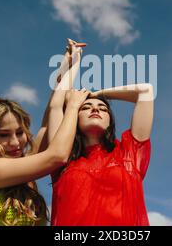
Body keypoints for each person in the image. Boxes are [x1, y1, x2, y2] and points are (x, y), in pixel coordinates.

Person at [0, 39, 88, 226]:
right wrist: (73, 107)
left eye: (20, 132)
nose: (15, 142)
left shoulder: (23, 164)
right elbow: (57, 156)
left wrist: (67, 65)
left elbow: (47, 121)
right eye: (3, 135)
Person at [48, 80, 155, 226]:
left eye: (103, 109)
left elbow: (145, 91)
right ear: (74, 117)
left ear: (110, 121)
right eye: (86, 107)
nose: (95, 110)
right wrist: (73, 103)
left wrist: (98, 94)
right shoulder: (61, 158)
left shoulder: (129, 154)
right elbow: (56, 106)